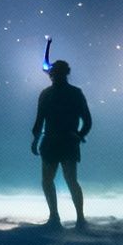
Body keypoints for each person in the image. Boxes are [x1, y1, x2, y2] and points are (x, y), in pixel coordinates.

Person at [30, 59, 92, 227]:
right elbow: (87, 120)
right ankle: (76, 218)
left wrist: (36, 140)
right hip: (64, 142)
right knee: (69, 180)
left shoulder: (47, 94)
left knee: (52, 180)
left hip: (55, 141)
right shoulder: (74, 93)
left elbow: (39, 121)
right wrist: (79, 135)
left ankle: (59, 217)